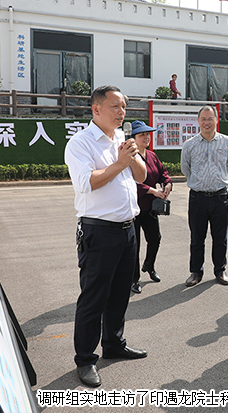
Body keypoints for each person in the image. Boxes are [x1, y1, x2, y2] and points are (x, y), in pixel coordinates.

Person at [64, 85, 148, 388]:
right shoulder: (81, 143)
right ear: (96, 109)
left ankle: (114, 343)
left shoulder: (121, 139)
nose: (121, 112)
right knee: (93, 297)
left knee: (120, 292)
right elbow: (86, 183)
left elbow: (142, 177)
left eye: (124, 106)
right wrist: (119, 163)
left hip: (128, 229)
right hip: (98, 231)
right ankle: (85, 359)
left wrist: (131, 157)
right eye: (115, 106)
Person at [181, 105, 228, 287]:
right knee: (197, 238)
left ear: (216, 120)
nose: (207, 122)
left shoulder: (226, 142)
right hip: (198, 198)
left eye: (210, 118)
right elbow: (185, 169)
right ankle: (196, 272)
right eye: (203, 119)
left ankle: (220, 270)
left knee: (220, 237)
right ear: (198, 121)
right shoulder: (190, 145)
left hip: (220, 197)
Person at [129, 120, 173, 294]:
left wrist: (167, 183)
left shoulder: (152, 156)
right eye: (142, 135)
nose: (146, 137)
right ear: (133, 139)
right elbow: (130, 182)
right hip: (133, 209)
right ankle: (133, 279)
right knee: (134, 245)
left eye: (147, 134)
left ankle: (149, 265)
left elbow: (163, 173)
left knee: (155, 238)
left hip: (150, 209)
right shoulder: (129, 157)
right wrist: (152, 190)